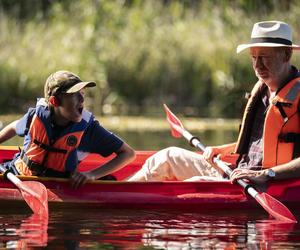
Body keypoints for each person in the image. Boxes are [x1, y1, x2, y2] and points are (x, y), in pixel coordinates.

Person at [127, 20, 300, 184]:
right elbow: (259, 144)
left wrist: (266, 174)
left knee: (195, 184)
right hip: (238, 173)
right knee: (166, 157)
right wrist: (222, 150)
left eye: (264, 57)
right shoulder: (261, 90)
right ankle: (116, 192)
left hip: (265, 184)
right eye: (254, 57)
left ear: (286, 54)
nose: (258, 65)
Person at [0, 70, 135, 188]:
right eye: (74, 94)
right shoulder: (36, 116)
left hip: (59, 186)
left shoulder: (88, 129)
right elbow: (13, 127)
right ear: (54, 102)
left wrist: (92, 174)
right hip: (15, 175)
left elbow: (128, 153)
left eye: (82, 93)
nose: (82, 99)